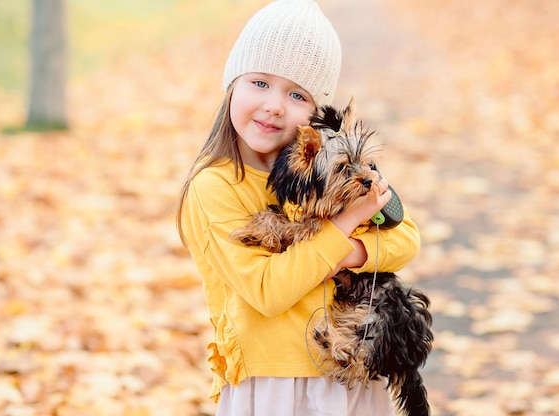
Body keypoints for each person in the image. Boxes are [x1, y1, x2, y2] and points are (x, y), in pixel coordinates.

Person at [176, 1, 421, 414]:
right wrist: (345, 225)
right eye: (259, 83)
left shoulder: (334, 172)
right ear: (232, 83)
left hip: (349, 374)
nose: (274, 105)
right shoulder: (214, 187)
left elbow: (406, 237)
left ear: (316, 114)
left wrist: (351, 252)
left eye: (296, 94)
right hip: (271, 383)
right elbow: (268, 291)